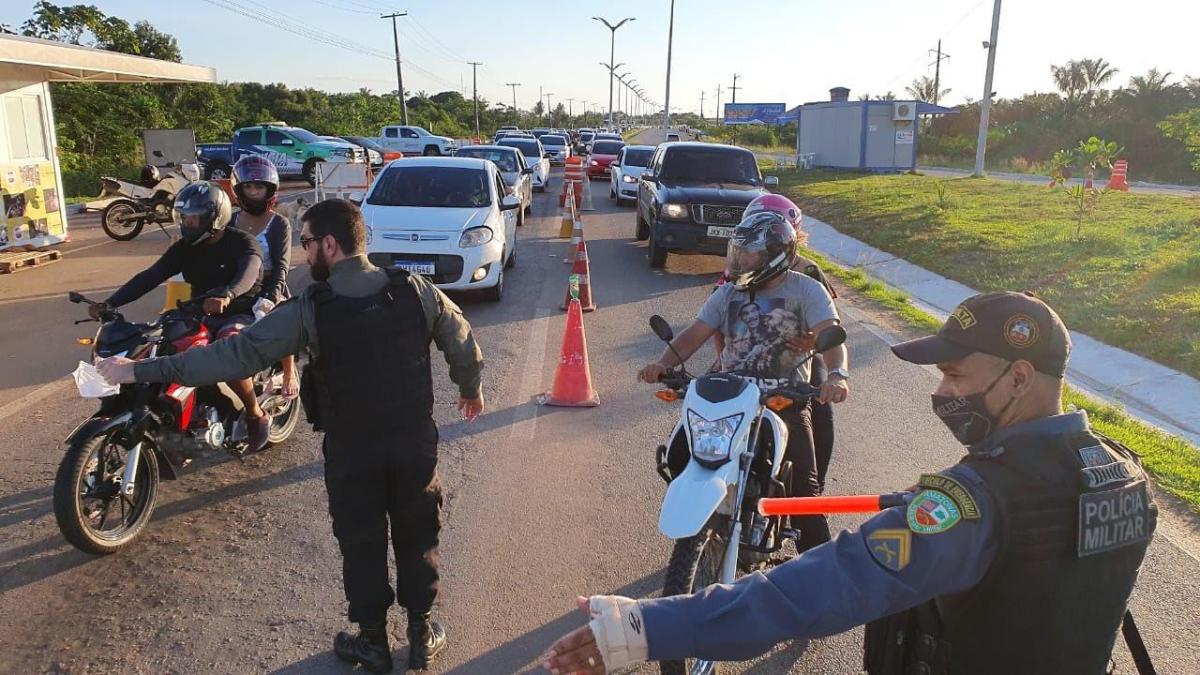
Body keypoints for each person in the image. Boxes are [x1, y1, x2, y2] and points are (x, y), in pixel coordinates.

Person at [544, 291, 1158, 675]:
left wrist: (647, 629)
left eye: (954, 375)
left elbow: (822, 587)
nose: (942, 393)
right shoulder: (1123, 473)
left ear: (1020, 377)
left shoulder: (979, 499)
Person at [97, 198, 486, 673]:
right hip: (413, 443)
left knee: (360, 540)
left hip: (352, 448)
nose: (303, 254)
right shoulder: (414, 290)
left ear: (329, 243)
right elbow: (460, 335)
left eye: (306, 243)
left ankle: (372, 643)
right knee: (418, 530)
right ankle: (422, 634)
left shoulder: (311, 308)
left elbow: (233, 357)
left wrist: (137, 371)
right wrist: (470, 388)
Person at [638, 210, 850, 553]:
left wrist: (837, 375)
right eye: (738, 252)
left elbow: (832, 339)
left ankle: (826, 584)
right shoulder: (729, 293)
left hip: (784, 400)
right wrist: (662, 363)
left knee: (805, 500)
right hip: (730, 398)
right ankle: (708, 521)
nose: (741, 260)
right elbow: (695, 335)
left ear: (775, 255)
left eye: (749, 253)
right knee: (680, 455)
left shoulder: (808, 291)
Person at [89, 181, 273, 452]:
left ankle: (256, 414)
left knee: (227, 351)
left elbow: (247, 275)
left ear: (215, 216)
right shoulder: (185, 247)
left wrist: (228, 296)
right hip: (197, 312)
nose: (187, 223)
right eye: (183, 217)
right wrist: (110, 302)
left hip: (241, 311)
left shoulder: (242, 242)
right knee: (162, 348)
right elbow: (151, 276)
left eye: (194, 218)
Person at [230, 155, 298, 398]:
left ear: (269, 189)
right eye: (248, 186)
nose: (253, 192)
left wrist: (271, 295)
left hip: (270, 285)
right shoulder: (230, 221)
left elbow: (282, 265)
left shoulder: (278, 223)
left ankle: (289, 372)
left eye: (258, 186)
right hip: (237, 286)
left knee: (277, 320)